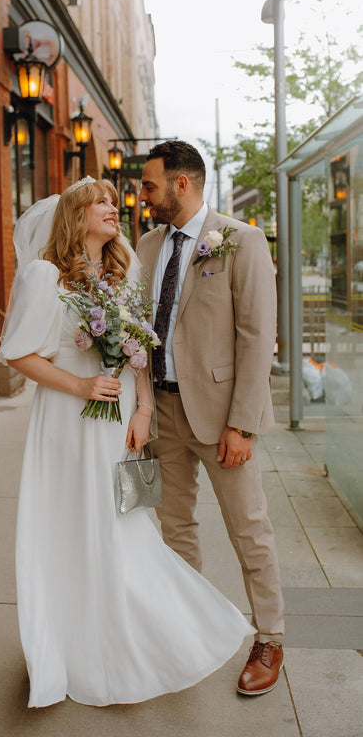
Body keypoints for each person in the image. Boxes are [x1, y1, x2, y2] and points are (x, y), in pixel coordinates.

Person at [0, 176, 254, 709]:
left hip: (116, 424)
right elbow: (18, 355)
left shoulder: (120, 272)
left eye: (115, 202)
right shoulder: (46, 276)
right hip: (67, 423)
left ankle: (130, 633)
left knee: (124, 526)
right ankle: (71, 643)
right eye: (102, 202)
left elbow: (139, 348)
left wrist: (141, 409)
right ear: (75, 214)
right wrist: (82, 385)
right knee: (73, 528)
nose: (114, 209)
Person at [137, 141, 285, 696]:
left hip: (222, 417)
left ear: (182, 184)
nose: (143, 195)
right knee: (173, 529)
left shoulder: (241, 240)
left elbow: (257, 337)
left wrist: (243, 425)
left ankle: (269, 637)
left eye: (150, 185)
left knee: (249, 529)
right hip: (161, 414)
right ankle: (186, 632)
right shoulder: (147, 245)